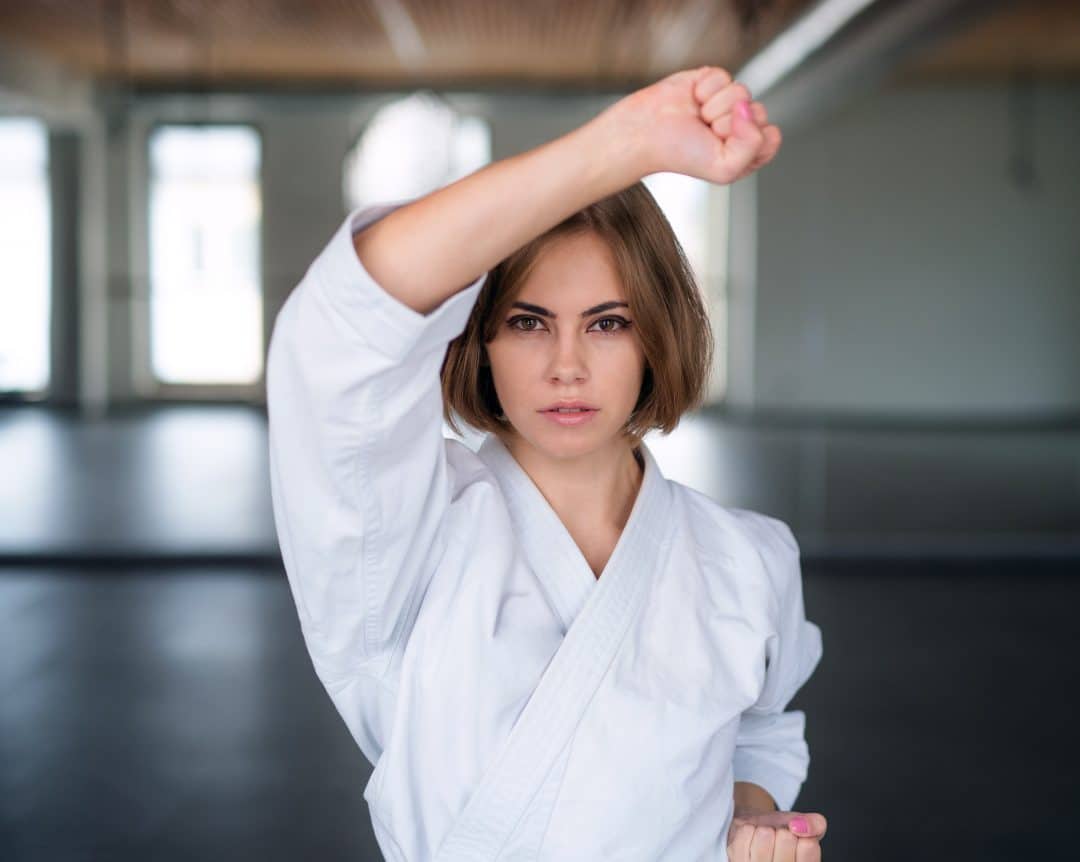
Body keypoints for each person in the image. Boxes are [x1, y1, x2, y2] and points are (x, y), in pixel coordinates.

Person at [266, 65, 827, 861]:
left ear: (656, 335)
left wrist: (751, 817)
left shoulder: (748, 559)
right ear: (481, 340)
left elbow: (763, 730)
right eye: (529, 322)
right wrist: (622, 146)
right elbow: (338, 339)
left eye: (606, 324)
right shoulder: (404, 547)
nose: (567, 365)